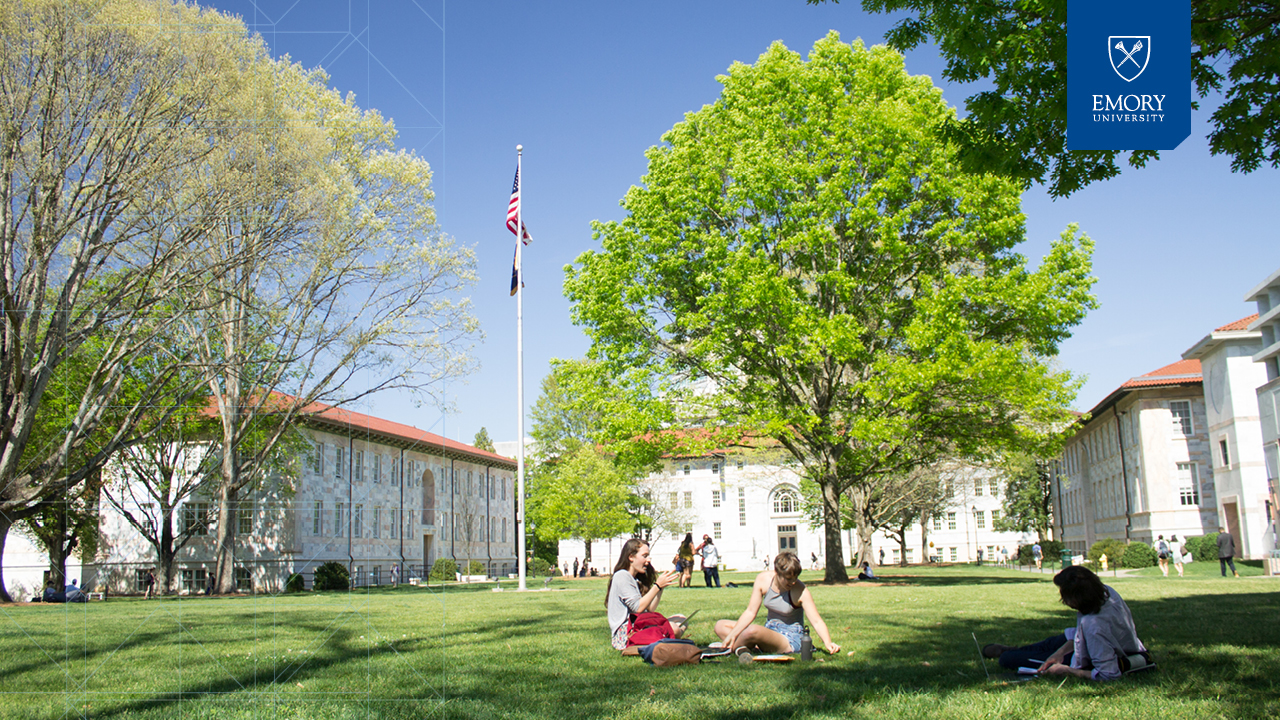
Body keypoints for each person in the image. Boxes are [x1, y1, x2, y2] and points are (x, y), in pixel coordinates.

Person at [981, 566, 1146, 681]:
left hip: (1084, 657)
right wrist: (1060, 652)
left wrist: (1067, 671)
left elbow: (1108, 675)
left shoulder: (1094, 627)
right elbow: (1085, 633)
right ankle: (1016, 649)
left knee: (1007, 660)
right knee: (1050, 644)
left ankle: (1009, 653)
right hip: (1078, 639)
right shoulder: (1106, 592)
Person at [713, 552, 841, 659]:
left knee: (752, 631)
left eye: (795, 578)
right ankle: (742, 647)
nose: (792, 582)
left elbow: (817, 621)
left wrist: (828, 642)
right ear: (777, 573)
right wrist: (732, 634)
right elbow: (751, 612)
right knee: (720, 626)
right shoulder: (763, 580)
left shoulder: (800, 590)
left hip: (789, 637)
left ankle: (726, 649)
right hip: (770, 629)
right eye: (788, 578)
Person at [605, 538, 679, 650]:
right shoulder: (621, 576)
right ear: (631, 557)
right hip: (626, 634)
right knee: (674, 628)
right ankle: (669, 640)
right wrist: (657, 586)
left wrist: (661, 588)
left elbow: (649, 609)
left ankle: (667, 640)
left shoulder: (634, 579)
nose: (648, 560)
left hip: (638, 626)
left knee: (680, 619)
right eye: (645, 556)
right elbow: (638, 608)